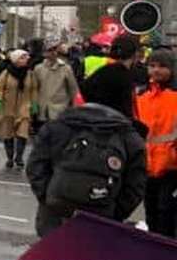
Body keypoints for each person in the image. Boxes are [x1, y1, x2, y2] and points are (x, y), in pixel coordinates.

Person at [26, 66, 146, 238]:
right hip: (100, 223)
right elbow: (135, 187)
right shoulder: (129, 137)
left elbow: (35, 167)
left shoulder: (59, 126)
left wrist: (48, 199)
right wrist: (113, 214)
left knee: (53, 254)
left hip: (54, 218)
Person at [135, 49, 177, 239]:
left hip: (171, 166)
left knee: (166, 213)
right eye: (152, 66)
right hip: (147, 165)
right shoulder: (141, 96)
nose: (156, 70)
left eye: (162, 66)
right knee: (151, 211)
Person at [0, 48, 38, 170]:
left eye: (26, 57)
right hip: (7, 108)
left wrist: (34, 104)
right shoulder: (6, 73)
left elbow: (34, 89)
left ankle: (19, 157)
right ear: (16, 60)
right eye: (23, 58)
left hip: (24, 108)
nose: (26, 60)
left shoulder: (30, 74)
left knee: (22, 134)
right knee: (8, 134)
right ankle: (9, 157)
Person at [81, 34, 140, 121]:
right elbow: (127, 108)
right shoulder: (124, 75)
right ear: (135, 55)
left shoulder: (102, 71)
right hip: (113, 123)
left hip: (92, 119)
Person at [32, 41, 79, 130]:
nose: (53, 53)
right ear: (44, 53)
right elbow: (34, 88)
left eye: (55, 50)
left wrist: (75, 107)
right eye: (50, 50)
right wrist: (34, 107)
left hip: (60, 108)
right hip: (43, 108)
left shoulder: (66, 68)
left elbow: (73, 89)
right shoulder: (38, 68)